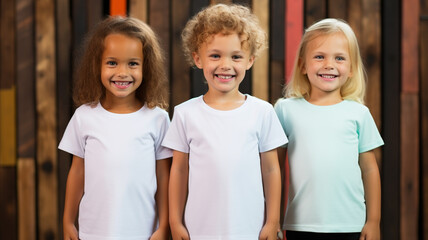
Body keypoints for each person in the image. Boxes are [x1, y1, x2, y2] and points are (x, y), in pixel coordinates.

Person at [162, 3, 288, 240]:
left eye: (236, 56)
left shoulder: (262, 112)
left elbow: (271, 169)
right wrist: (174, 221)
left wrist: (273, 222)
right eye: (215, 56)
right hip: (199, 229)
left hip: (249, 229)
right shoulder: (185, 113)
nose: (225, 65)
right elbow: (178, 170)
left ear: (250, 60)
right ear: (198, 59)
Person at [59, 16, 172, 240]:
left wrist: (164, 226)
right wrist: (68, 221)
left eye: (133, 63)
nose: (122, 72)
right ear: (97, 65)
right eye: (112, 62)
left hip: (143, 231)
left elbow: (163, 176)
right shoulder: (84, 117)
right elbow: (77, 172)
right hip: (94, 232)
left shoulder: (157, 119)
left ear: (145, 67)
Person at [274, 18, 384, 240]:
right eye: (319, 56)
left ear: (351, 68)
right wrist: (272, 220)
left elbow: (370, 170)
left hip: (351, 224)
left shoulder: (358, 114)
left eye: (339, 58)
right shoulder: (285, 110)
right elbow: (275, 170)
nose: (329, 64)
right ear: (303, 65)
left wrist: (373, 221)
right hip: (300, 225)